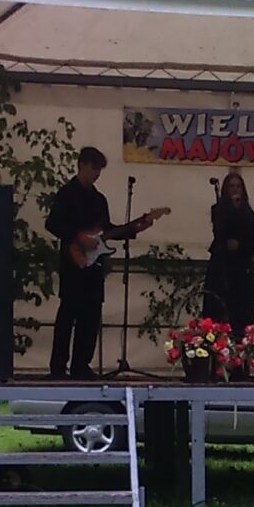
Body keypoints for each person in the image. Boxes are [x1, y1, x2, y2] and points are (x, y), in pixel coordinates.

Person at [43, 146, 164, 378]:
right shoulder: (66, 194)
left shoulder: (99, 200)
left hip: (95, 265)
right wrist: (78, 237)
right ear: (82, 165)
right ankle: (58, 366)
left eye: (99, 169)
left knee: (90, 316)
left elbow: (107, 231)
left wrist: (137, 227)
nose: (97, 174)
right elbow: (53, 224)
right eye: (94, 168)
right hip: (73, 262)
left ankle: (81, 365)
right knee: (68, 314)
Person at [202, 169, 254, 340]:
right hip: (220, 269)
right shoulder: (218, 210)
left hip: (241, 271)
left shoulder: (250, 215)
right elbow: (221, 232)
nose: (235, 190)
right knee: (217, 312)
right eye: (231, 186)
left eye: (238, 186)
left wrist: (240, 245)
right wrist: (233, 210)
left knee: (241, 316)